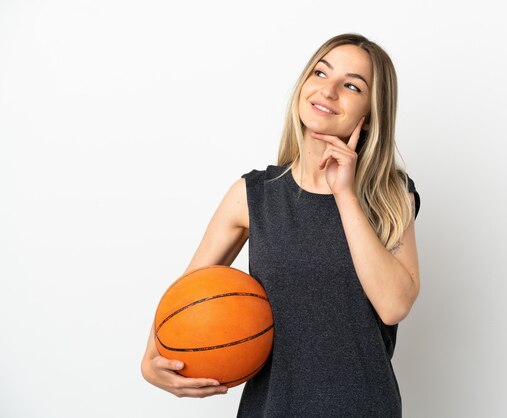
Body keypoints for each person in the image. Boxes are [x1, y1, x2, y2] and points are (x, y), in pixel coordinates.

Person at [141, 33, 421, 417]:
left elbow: (393, 305)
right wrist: (150, 360)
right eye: (321, 73)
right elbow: (187, 298)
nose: (329, 89)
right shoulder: (253, 196)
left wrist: (345, 194)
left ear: (369, 113)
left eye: (352, 85)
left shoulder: (390, 194)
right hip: (271, 408)